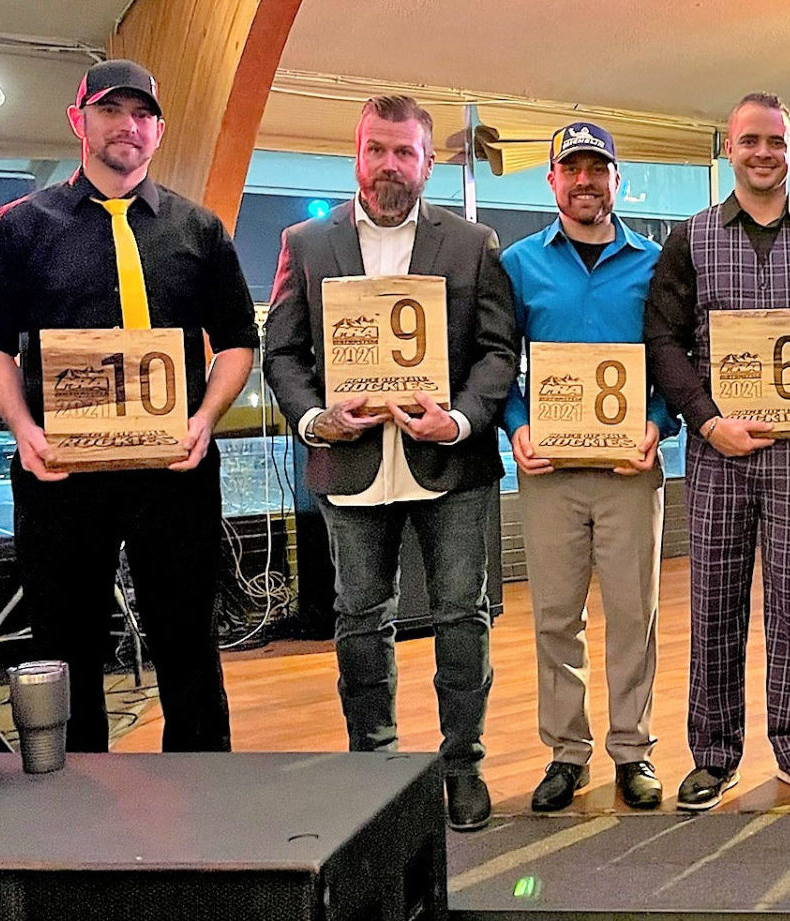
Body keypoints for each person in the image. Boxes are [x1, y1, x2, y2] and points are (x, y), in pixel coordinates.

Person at [0, 59, 256, 754]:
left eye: (142, 114)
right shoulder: (21, 229)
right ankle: (79, 814)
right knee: (66, 649)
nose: (128, 126)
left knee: (189, 641)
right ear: (79, 120)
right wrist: (25, 428)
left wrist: (205, 417)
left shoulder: (200, 229)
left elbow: (239, 342)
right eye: (110, 110)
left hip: (176, 473)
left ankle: (204, 798)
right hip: (62, 476)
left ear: (157, 130)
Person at [264, 95, 519, 831]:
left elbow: (499, 350)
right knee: (359, 619)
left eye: (404, 152)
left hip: (453, 465)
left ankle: (462, 764)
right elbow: (282, 350)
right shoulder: (306, 243)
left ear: (428, 163)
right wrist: (316, 417)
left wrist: (462, 418)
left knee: (463, 618)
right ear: (357, 154)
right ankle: (374, 767)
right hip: (350, 466)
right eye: (377, 149)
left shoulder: (472, 242)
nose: (389, 165)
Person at [645, 92, 790, 810]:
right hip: (717, 454)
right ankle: (714, 752)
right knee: (714, 607)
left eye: (777, 142)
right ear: (728, 148)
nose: (763, 152)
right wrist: (705, 420)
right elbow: (664, 342)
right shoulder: (690, 238)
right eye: (750, 140)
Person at [501, 122, 674, 811]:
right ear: (552, 180)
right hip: (550, 474)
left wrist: (660, 424)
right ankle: (566, 752)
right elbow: (494, 359)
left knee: (635, 614)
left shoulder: (655, 262)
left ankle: (632, 749)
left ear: (616, 179)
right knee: (554, 617)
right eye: (570, 169)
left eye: (596, 170)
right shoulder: (518, 264)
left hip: (631, 472)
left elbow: (669, 362)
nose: (584, 182)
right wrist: (516, 428)